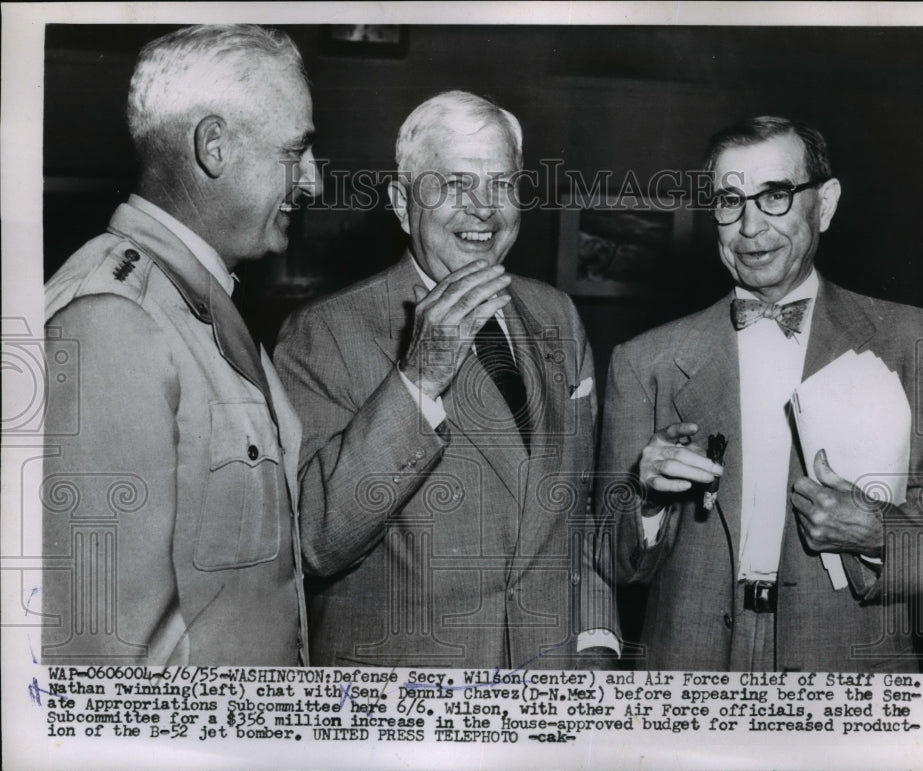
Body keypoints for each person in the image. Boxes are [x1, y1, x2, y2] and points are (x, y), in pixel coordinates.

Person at [597, 116, 923, 672]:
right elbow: (614, 564)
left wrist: (877, 531)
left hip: (850, 664)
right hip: (687, 664)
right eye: (729, 200)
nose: (750, 228)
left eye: (776, 196)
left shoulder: (915, 340)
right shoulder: (643, 361)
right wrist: (646, 498)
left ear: (826, 204)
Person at [275, 90, 618, 669]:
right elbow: (315, 542)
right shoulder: (325, 333)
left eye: (502, 185)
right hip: (406, 716)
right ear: (404, 205)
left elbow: (574, 515)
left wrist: (597, 644)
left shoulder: (558, 315)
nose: (484, 209)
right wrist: (418, 380)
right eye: (455, 185)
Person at [42, 24, 320, 665]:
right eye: (295, 152)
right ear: (214, 147)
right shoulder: (112, 318)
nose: (312, 182)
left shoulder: (190, 301)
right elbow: (107, 663)